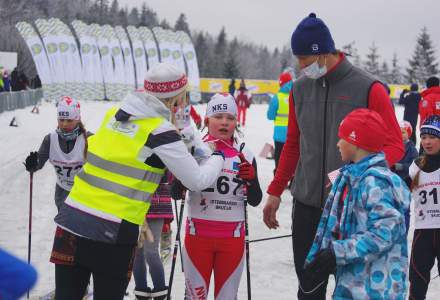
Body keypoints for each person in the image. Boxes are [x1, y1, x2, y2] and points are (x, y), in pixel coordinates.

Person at [51, 63, 225, 300]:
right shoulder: (160, 131)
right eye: (184, 97)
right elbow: (197, 180)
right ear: (176, 98)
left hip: (71, 220)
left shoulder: (114, 113)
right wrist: (217, 156)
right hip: (113, 230)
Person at [263, 13, 404, 299]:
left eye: (305, 59)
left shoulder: (368, 88)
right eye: (298, 58)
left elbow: (394, 144)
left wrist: (355, 176)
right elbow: (292, 145)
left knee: (350, 290)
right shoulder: (299, 89)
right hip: (306, 206)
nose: (301, 66)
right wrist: (276, 190)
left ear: (324, 53)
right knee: (309, 288)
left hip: (352, 209)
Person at [304, 109, 410, 299]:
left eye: (342, 138)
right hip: (355, 283)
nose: (337, 144)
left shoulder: (374, 182)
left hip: (376, 289)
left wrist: (338, 252)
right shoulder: (352, 177)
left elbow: (384, 233)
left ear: (355, 142)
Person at [181, 93, 262, 300]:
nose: (224, 122)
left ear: (236, 122)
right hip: (198, 237)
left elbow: (255, 200)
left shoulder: (245, 153)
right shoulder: (195, 150)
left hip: (232, 239)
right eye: (218, 117)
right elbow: (175, 193)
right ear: (207, 120)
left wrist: (251, 180)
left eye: (230, 118)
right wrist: (180, 175)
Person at [24, 96, 90, 211]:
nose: (64, 124)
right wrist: (33, 164)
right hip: (62, 193)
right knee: (64, 226)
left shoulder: (89, 139)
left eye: (69, 120)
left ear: (78, 119)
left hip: (85, 193)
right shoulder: (50, 139)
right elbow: (38, 163)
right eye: (61, 120)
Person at [408, 115, 440, 299]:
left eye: (433, 137)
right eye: (424, 137)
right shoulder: (416, 166)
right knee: (417, 280)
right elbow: (403, 192)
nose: (427, 142)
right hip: (423, 231)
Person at [132, 172, 174, 300]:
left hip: (157, 206)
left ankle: (160, 291)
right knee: (136, 252)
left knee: (151, 251)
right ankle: (141, 291)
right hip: (135, 205)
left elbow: (169, 176)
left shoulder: (162, 152)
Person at [391, 120, 418, 232]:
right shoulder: (394, 146)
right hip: (393, 182)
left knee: (405, 209)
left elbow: (415, 165)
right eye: (398, 132)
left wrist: (400, 166)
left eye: (403, 132)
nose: (400, 134)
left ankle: (404, 230)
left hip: (405, 183)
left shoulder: (412, 149)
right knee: (392, 208)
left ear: (409, 133)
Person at [267, 71, 293, 173]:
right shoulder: (295, 95)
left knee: (279, 156)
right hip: (293, 133)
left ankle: (279, 176)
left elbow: (270, 116)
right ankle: (292, 178)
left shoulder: (277, 97)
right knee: (291, 156)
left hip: (279, 134)